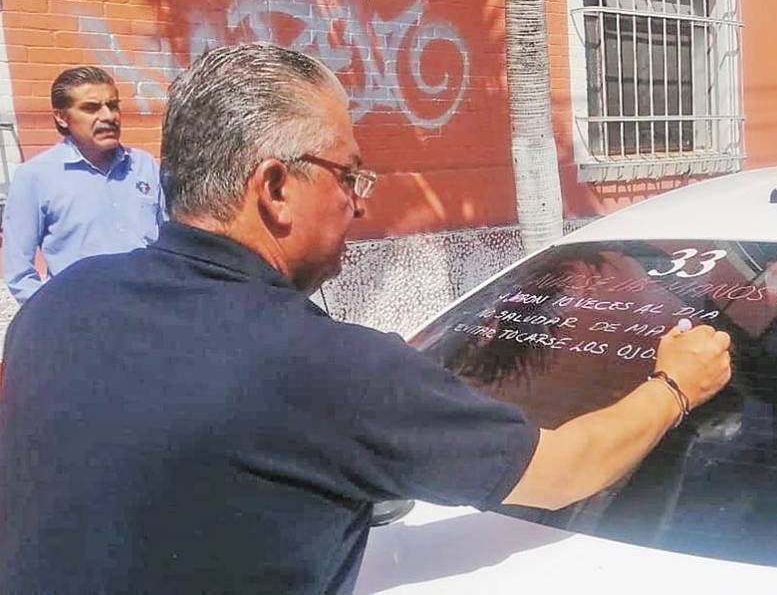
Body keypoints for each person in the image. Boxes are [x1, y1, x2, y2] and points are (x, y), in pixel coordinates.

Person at [0, 44, 732, 594]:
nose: (360, 200)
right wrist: (676, 385)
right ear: (275, 187)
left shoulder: (60, 304)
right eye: (348, 175)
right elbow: (563, 468)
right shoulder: (326, 368)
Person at [1, 66, 164, 304]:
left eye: (113, 105)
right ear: (61, 117)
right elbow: (19, 273)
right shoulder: (35, 177)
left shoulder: (143, 165)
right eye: (91, 108)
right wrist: (56, 314)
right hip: (84, 315)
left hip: (150, 306)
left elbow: (169, 238)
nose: (108, 116)